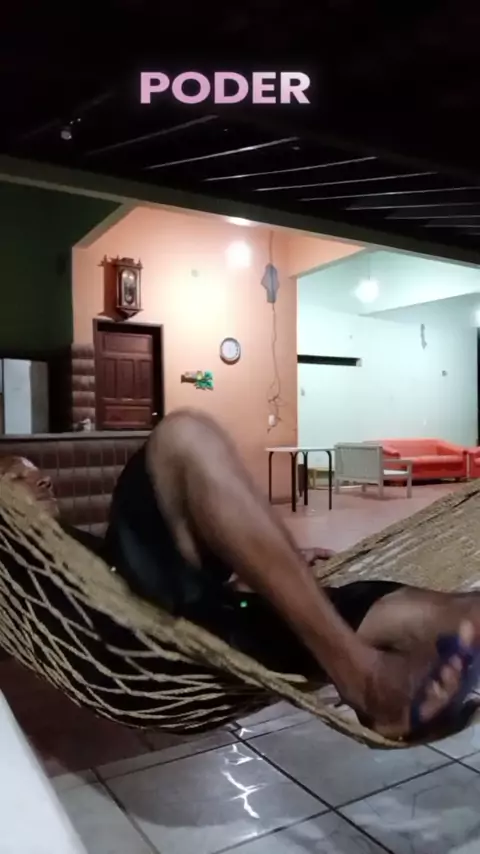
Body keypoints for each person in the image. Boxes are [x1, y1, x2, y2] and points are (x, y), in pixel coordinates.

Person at [0, 421, 475, 741]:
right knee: (183, 437)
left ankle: (440, 633)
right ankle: (365, 681)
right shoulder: (15, 574)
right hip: (132, 652)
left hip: (201, 624)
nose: (43, 482)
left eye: (39, 475)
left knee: (399, 609)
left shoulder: (75, 544)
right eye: (16, 478)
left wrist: (268, 569)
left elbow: (158, 582)